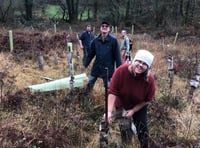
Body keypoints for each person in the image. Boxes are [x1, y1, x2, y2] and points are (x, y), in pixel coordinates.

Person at [107, 49, 156, 147]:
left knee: (142, 129)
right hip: (121, 103)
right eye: (139, 61)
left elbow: (147, 100)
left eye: (144, 63)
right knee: (124, 129)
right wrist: (108, 111)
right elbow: (112, 92)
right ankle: (127, 144)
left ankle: (144, 145)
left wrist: (133, 111)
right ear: (134, 61)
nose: (140, 65)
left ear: (148, 67)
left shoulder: (149, 80)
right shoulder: (121, 71)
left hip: (139, 105)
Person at [84, 21, 122, 91]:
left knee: (108, 88)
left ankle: (108, 100)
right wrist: (85, 64)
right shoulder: (96, 40)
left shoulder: (113, 40)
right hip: (97, 67)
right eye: (103, 26)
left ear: (109, 29)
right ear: (100, 29)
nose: (104, 27)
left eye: (106, 26)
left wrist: (119, 69)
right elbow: (91, 53)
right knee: (90, 83)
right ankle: (86, 99)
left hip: (108, 68)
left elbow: (117, 56)